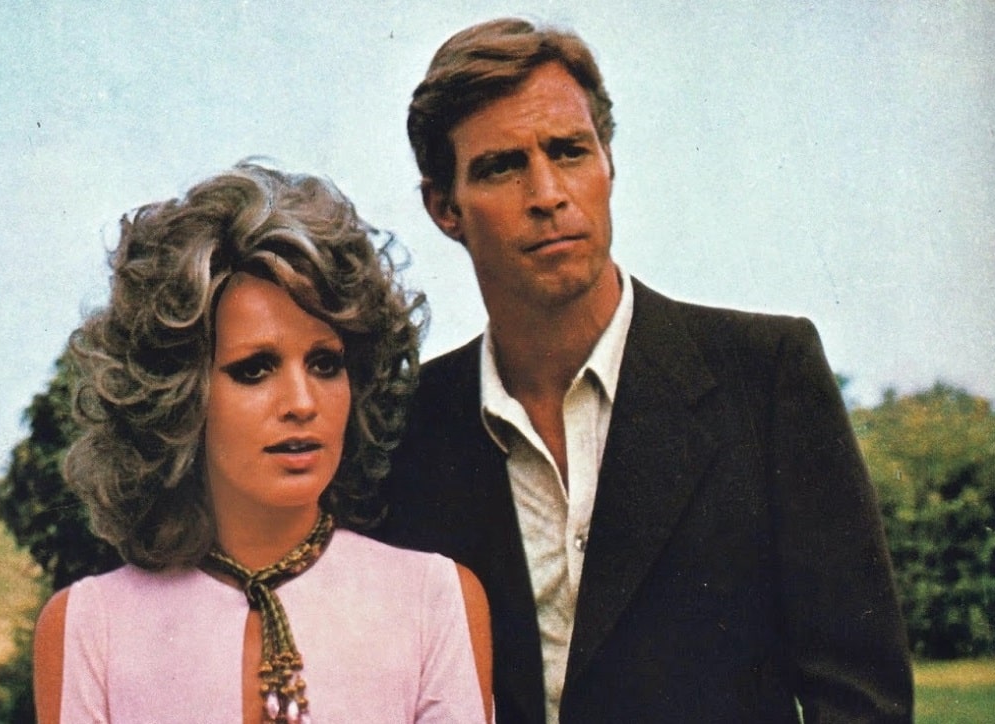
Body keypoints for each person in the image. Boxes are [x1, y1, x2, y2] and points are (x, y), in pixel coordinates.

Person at [373, 18, 913, 723]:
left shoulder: (766, 375)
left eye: (569, 151)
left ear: (608, 165)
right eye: (502, 166)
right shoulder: (407, 425)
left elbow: (863, 696)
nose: (547, 193)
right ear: (445, 208)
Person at [32, 162, 492, 723]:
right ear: (179, 395)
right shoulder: (87, 628)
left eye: (325, 364)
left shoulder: (434, 602)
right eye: (254, 369)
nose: (301, 402)